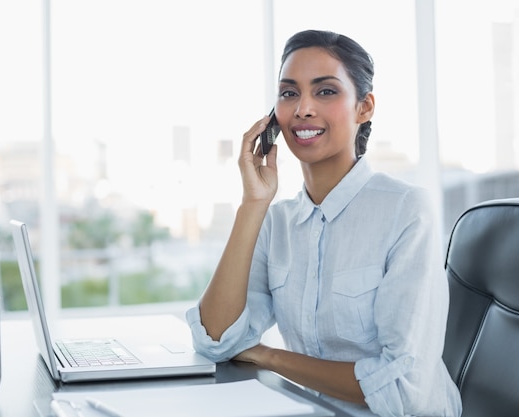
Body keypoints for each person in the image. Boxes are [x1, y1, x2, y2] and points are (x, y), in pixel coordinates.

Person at [186, 29, 462, 416]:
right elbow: (214, 339)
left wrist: (269, 356)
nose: (303, 109)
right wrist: (252, 203)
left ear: (364, 107)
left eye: (326, 91)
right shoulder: (276, 221)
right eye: (289, 93)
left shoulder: (405, 209)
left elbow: (401, 390)